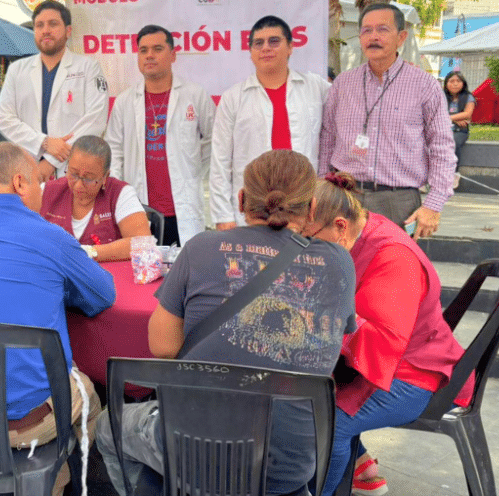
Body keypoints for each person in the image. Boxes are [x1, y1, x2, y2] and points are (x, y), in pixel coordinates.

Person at [96, 150, 358, 496]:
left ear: (241, 200)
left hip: (194, 450)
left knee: (105, 427)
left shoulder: (202, 247)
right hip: (288, 467)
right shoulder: (339, 261)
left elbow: (163, 347)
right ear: (311, 208)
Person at [0, 141, 116, 496]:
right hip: (23, 423)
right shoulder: (51, 237)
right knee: (88, 393)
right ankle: (56, 482)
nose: (43, 189)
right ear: (19, 183)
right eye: (38, 180)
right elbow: (103, 295)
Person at [307, 172, 475, 496]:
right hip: (387, 358)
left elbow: (380, 344)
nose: (304, 248)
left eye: (308, 238)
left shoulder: (394, 257)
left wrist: (314, 320)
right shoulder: (361, 228)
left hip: (414, 375)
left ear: (340, 226)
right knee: (298, 395)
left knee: (329, 421)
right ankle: (360, 468)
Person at [319, 3, 456, 239]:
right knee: (344, 272)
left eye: (382, 29)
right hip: (345, 198)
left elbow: (442, 146)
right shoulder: (343, 84)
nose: (373, 37)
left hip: (399, 202)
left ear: (401, 37)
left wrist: (434, 204)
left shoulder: (424, 85)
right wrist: (322, 189)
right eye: (366, 30)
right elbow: (327, 138)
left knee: (396, 273)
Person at [210, 16, 330, 231]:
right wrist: (222, 216)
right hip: (254, 210)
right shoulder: (233, 97)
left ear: (291, 47)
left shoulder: (317, 88)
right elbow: (220, 161)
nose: (265, 48)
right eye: (258, 43)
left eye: (274, 41)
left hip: (303, 208)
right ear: (250, 52)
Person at [106, 24, 216, 246]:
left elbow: (214, 140)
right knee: (143, 273)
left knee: (186, 273)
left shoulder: (194, 95)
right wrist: (118, 197)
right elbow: (114, 150)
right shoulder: (125, 101)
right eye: (143, 50)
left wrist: (193, 169)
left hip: (182, 208)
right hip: (139, 210)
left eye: (157, 49)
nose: (149, 56)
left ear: (173, 55)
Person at [0, 0, 108, 181]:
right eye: (39, 25)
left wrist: (50, 162)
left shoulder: (88, 68)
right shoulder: (17, 70)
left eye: (53, 24)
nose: (45, 30)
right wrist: (44, 143)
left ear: (68, 31)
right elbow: (4, 118)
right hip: (28, 169)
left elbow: (96, 120)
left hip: (73, 171)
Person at [40, 136, 151, 261]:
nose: (78, 185)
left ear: (105, 177)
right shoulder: (46, 191)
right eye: (73, 174)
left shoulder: (120, 193)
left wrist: (89, 252)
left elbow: (143, 243)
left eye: (88, 179)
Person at [444, 71, 475, 187]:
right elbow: (435, 113)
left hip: (459, 131)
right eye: (452, 81)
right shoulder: (441, 96)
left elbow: (467, 114)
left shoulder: (468, 97)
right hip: (442, 130)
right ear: (446, 83)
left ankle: (455, 174)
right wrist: (455, 118)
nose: (455, 84)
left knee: (454, 143)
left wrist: (447, 118)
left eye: (458, 81)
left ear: (463, 83)